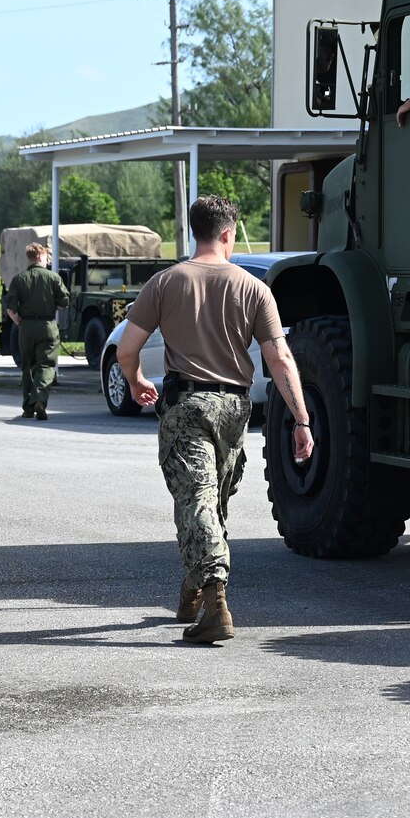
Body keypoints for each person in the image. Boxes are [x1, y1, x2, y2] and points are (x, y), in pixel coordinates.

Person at [117, 195, 314, 645]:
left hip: (187, 405)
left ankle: (214, 602)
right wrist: (301, 421)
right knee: (209, 500)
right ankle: (195, 585)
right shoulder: (254, 288)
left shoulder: (165, 282)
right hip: (235, 409)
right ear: (229, 233)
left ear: (195, 231)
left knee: (198, 501)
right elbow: (280, 357)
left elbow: (126, 349)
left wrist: (134, 380)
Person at [3, 241, 68, 421]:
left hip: (26, 328)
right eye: (47, 257)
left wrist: (19, 323)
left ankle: (28, 408)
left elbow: (10, 309)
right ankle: (40, 400)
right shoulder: (54, 278)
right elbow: (64, 302)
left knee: (27, 367)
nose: (48, 261)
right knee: (45, 366)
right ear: (40, 256)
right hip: (47, 326)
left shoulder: (18, 279)